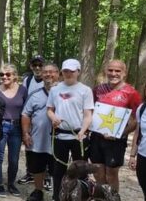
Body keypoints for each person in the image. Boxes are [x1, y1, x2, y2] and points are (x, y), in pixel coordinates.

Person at [90, 60, 141, 196]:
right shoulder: (98, 89)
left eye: (117, 71)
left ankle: (113, 197)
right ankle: (102, 197)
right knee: (98, 170)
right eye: (110, 70)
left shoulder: (131, 93)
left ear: (124, 73)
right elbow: (89, 111)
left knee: (111, 173)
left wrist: (121, 133)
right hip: (96, 137)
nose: (113, 74)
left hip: (116, 140)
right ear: (106, 71)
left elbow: (137, 119)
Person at [46, 59, 93, 201]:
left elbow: (88, 114)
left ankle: (81, 196)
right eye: (65, 71)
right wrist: (53, 118)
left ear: (78, 71)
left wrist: (83, 130)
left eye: (72, 71)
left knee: (80, 171)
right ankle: (57, 196)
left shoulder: (85, 90)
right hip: (60, 136)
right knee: (58, 170)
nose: (68, 73)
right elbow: (49, 110)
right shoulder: (55, 89)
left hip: (79, 137)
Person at [21, 63, 59, 201]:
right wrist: (25, 133)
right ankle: (38, 191)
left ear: (58, 73)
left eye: (52, 72)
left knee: (58, 169)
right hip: (38, 139)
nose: (48, 75)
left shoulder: (65, 93)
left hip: (59, 140)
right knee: (37, 167)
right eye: (46, 72)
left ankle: (58, 193)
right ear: (42, 75)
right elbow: (25, 114)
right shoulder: (35, 95)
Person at [0, 64, 27, 196]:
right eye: (1, 74)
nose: (4, 77)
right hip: (1, 126)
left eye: (8, 74)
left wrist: (26, 131)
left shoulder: (23, 90)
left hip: (17, 127)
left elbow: (26, 111)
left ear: (14, 76)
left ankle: (11, 184)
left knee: (14, 159)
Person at [18, 55, 46, 186]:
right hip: (29, 118)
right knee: (29, 145)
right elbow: (23, 98)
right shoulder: (27, 80)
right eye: (35, 65)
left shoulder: (49, 79)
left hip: (45, 118)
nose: (38, 68)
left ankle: (46, 176)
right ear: (31, 66)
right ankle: (30, 173)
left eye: (40, 65)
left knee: (47, 147)